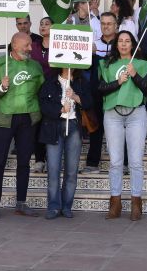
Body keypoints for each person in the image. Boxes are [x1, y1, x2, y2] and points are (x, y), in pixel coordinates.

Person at [0, 32, 45, 219]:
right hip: (4, 119)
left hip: (28, 119)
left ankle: (21, 202)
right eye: (27, 45)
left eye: (30, 45)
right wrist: (2, 87)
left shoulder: (35, 66)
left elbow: (41, 89)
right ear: (14, 45)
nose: (30, 48)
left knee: (24, 163)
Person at [99, 31, 147, 220]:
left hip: (136, 114)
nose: (123, 44)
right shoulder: (106, 64)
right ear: (116, 44)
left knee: (136, 162)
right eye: (120, 41)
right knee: (115, 162)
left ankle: (136, 203)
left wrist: (135, 75)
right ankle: (115, 202)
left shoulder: (142, 64)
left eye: (127, 41)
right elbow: (100, 89)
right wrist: (117, 82)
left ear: (132, 44)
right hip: (113, 114)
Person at [39, 67, 92, 219]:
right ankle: (54, 206)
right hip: (54, 127)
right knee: (53, 169)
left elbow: (89, 102)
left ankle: (67, 206)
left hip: (74, 126)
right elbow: (43, 104)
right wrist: (60, 109)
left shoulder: (82, 81)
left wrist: (75, 96)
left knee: (71, 170)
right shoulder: (50, 81)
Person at [82, 12, 119, 174]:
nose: (106, 26)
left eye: (109, 23)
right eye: (103, 23)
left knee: (118, 130)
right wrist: (89, 55)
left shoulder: (123, 42)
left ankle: (121, 163)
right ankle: (92, 163)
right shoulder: (93, 43)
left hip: (118, 92)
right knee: (96, 129)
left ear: (116, 25)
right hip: (97, 92)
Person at [29, 16, 54, 174]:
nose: (43, 26)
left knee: (51, 125)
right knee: (37, 125)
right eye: (41, 24)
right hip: (36, 91)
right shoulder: (33, 46)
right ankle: (39, 159)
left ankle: (52, 159)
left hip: (53, 91)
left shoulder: (60, 45)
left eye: (47, 24)